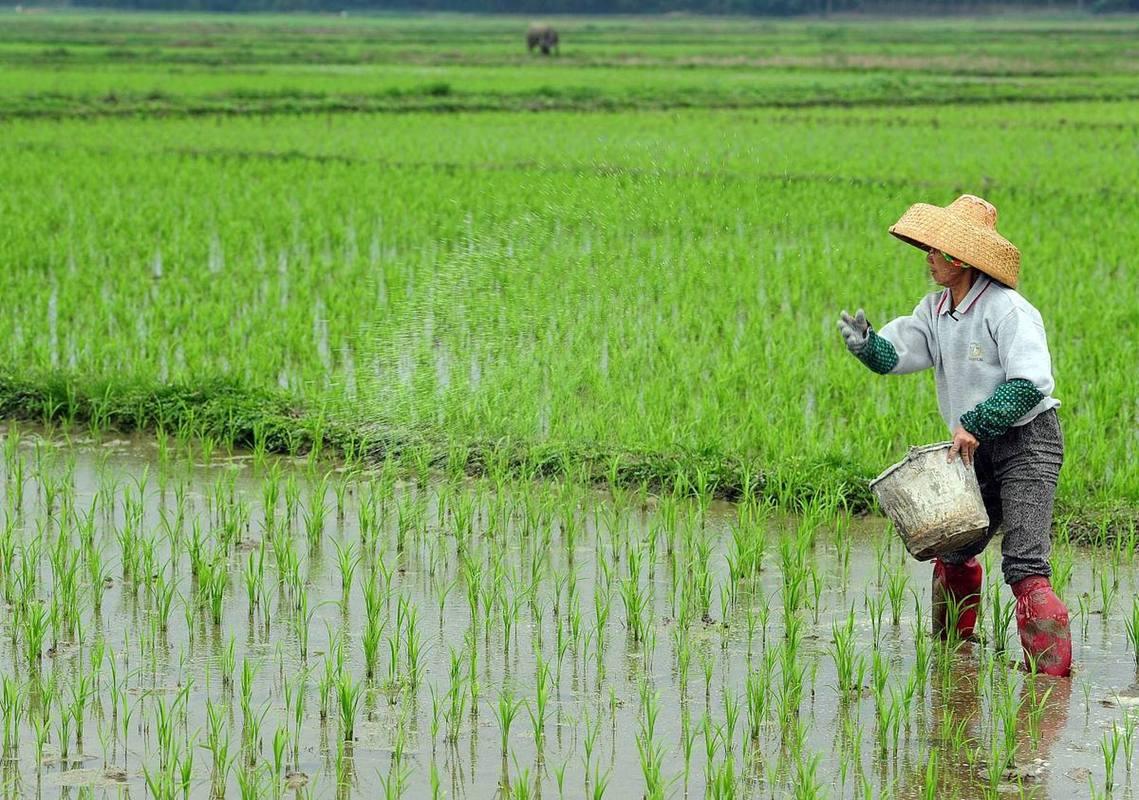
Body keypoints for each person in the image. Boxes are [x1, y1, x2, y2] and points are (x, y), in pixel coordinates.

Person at [837, 194, 1072, 677]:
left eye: (935, 250)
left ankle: (1050, 685)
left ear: (959, 258)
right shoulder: (936, 309)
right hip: (976, 446)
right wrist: (867, 345)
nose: (927, 258)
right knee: (954, 548)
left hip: (1028, 443)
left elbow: (1032, 383)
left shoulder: (1008, 311)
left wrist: (978, 423)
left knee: (1025, 565)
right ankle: (953, 661)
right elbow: (899, 353)